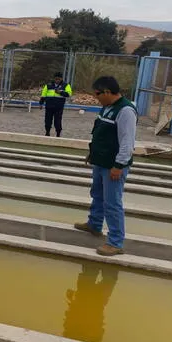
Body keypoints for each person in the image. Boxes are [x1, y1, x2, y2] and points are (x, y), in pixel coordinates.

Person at [74, 76, 137, 256]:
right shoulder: (107, 107)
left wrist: (119, 165)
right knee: (97, 194)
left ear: (108, 92)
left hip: (113, 165)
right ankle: (94, 224)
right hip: (100, 161)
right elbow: (100, 133)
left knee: (112, 203)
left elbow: (127, 142)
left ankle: (115, 242)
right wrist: (92, 154)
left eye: (98, 94)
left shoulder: (125, 111)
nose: (96, 97)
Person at [40, 72, 72, 137]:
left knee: (57, 121)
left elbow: (69, 94)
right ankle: (47, 132)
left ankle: (58, 134)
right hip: (49, 106)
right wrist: (41, 103)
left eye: (59, 79)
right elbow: (43, 94)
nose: (57, 80)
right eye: (56, 79)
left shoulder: (66, 85)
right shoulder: (48, 85)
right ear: (54, 78)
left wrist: (60, 92)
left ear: (61, 79)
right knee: (47, 121)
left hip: (59, 107)